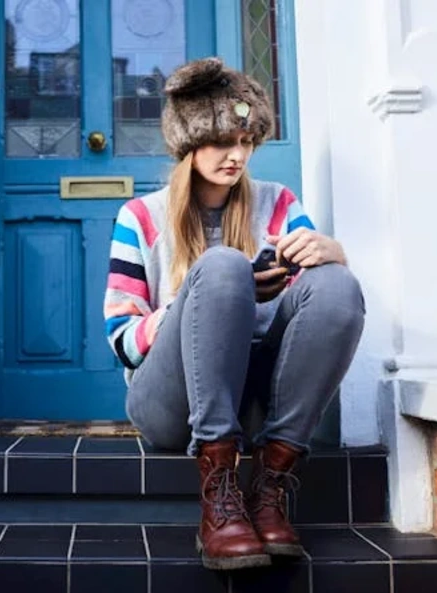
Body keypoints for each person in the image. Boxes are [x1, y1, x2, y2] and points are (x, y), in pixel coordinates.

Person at [103, 57, 365, 571]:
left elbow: (320, 295)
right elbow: (122, 339)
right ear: (190, 143)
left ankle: (270, 486)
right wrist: (199, 299)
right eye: (222, 140)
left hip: (255, 397)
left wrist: (331, 250)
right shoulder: (139, 216)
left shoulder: (278, 201)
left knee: (337, 282)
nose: (237, 154)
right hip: (168, 406)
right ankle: (219, 490)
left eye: (246, 141)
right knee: (222, 267)